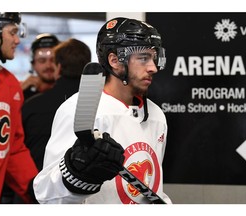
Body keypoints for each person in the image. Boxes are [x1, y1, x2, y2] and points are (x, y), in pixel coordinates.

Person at [33, 17, 172, 204]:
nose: (153, 67)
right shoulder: (79, 110)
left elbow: (153, 186)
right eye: (143, 58)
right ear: (114, 60)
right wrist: (75, 173)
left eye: (154, 58)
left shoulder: (156, 115)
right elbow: (46, 193)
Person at [0, 12, 38, 204]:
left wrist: (35, 190)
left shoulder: (10, 83)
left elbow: (13, 148)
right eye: (12, 32)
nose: (17, 40)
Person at [22, 38, 91, 171]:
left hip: (37, 183)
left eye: (51, 60)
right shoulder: (102, 103)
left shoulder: (30, 106)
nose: (48, 66)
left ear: (57, 67)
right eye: (42, 60)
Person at [21, 33, 60, 100]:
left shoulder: (71, 91)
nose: (48, 65)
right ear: (33, 65)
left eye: (53, 60)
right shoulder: (22, 90)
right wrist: (18, 92)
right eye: (42, 60)